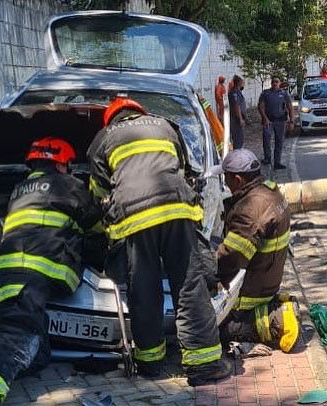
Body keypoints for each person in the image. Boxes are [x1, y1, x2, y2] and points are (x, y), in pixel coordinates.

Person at [0, 137, 102, 406]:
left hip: (1, 271)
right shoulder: (69, 185)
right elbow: (97, 227)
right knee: (15, 339)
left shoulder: (19, 189)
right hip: (29, 270)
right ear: (61, 165)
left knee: (36, 350)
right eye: (68, 165)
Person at [88, 97, 230, 385]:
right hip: (177, 209)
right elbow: (183, 167)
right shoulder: (166, 126)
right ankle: (203, 365)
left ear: (113, 119)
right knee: (189, 286)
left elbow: (98, 191)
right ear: (138, 111)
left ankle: (150, 362)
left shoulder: (102, 139)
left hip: (134, 219)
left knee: (143, 289)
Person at [214, 149, 300, 354]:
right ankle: (270, 311)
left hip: (248, 295)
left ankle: (274, 322)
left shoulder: (250, 211)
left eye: (226, 179)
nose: (225, 185)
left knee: (213, 330)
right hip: (266, 282)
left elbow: (231, 258)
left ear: (237, 179)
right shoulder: (270, 191)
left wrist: (205, 268)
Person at [258, 76, 294, 170]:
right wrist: (264, 118)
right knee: (266, 138)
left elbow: (290, 107)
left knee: (279, 141)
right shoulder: (266, 93)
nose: (275, 83)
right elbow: (261, 106)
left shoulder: (284, 94)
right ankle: (267, 158)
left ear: (279, 83)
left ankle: (277, 162)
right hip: (268, 121)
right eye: (273, 82)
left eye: (277, 82)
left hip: (280, 121)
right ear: (271, 83)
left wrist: (291, 121)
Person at [228, 75, 247, 149]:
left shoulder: (237, 91)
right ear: (239, 83)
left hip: (238, 118)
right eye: (243, 82)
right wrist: (240, 119)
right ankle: (237, 156)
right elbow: (236, 106)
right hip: (236, 119)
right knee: (238, 139)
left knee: (239, 138)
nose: (243, 84)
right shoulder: (234, 92)